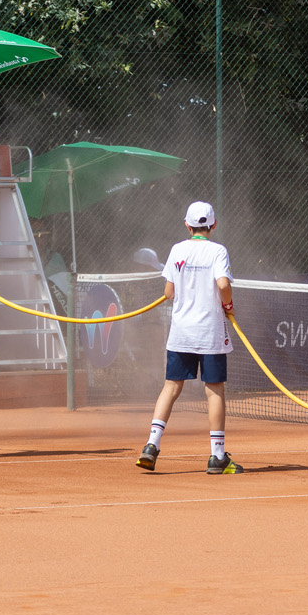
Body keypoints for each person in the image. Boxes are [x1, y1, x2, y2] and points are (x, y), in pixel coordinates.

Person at [136, 201, 241, 475]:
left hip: (181, 331)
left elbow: (168, 293)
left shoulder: (177, 250)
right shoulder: (218, 251)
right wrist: (228, 305)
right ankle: (217, 456)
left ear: (187, 225)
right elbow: (223, 285)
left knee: (171, 386)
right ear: (213, 225)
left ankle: (151, 445)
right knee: (214, 389)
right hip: (210, 332)